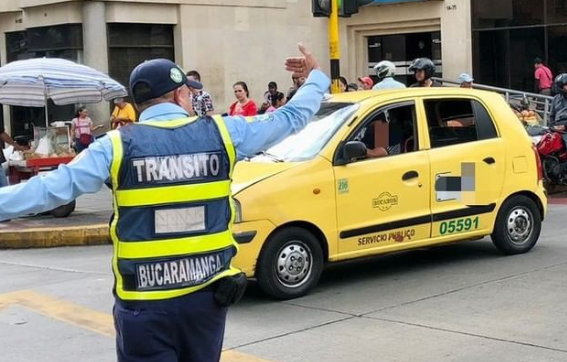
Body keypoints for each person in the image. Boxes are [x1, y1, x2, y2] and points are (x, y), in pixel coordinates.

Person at [0, 44, 329, 362]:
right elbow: (290, 118)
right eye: (189, 92)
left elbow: (47, 190)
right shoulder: (223, 134)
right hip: (205, 303)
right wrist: (315, 78)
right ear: (178, 95)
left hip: (144, 307)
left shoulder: (116, 146)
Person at [548, 73, 567, 189]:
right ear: (560, 87)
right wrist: (552, 126)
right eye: (566, 85)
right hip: (555, 129)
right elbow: (551, 116)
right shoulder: (556, 99)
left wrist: (565, 125)